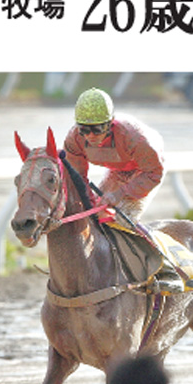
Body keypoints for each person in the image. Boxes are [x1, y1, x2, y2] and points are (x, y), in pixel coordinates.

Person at [62, 87, 186, 290]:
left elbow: (154, 173)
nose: (90, 136)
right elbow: (77, 177)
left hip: (146, 171)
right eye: (84, 129)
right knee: (93, 216)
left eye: (97, 129)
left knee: (122, 219)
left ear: (110, 124)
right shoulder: (74, 139)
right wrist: (88, 200)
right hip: (118, 170)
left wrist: (120, 194)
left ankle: (167, 270)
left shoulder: (134, 137)